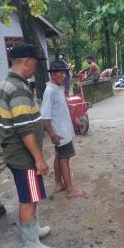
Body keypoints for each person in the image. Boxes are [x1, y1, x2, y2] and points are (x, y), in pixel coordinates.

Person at [0, 43, 56, 248]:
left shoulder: (7, 83)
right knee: (28, 198)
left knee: (31, 194)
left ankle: (34, 230)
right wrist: (39, 159)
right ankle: (31, 244)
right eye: (36, 63)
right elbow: (24, 128)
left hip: (17, 154)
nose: (35, 68)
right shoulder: (19, 88)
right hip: (24, 157)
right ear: (27, 61)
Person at [41, 60, 85, 198]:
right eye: (61, 73)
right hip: (60, 133)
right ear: (53, 74)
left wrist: (73, 117)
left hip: (62, 131)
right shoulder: (50, 91)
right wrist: (52, 134)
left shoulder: (57, 89)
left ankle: (58, 184)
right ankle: (70, 190)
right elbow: (45, 118)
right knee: (64, 159)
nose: (64, 76)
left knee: (59, 156)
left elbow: (60, 110)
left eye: (65, 73)